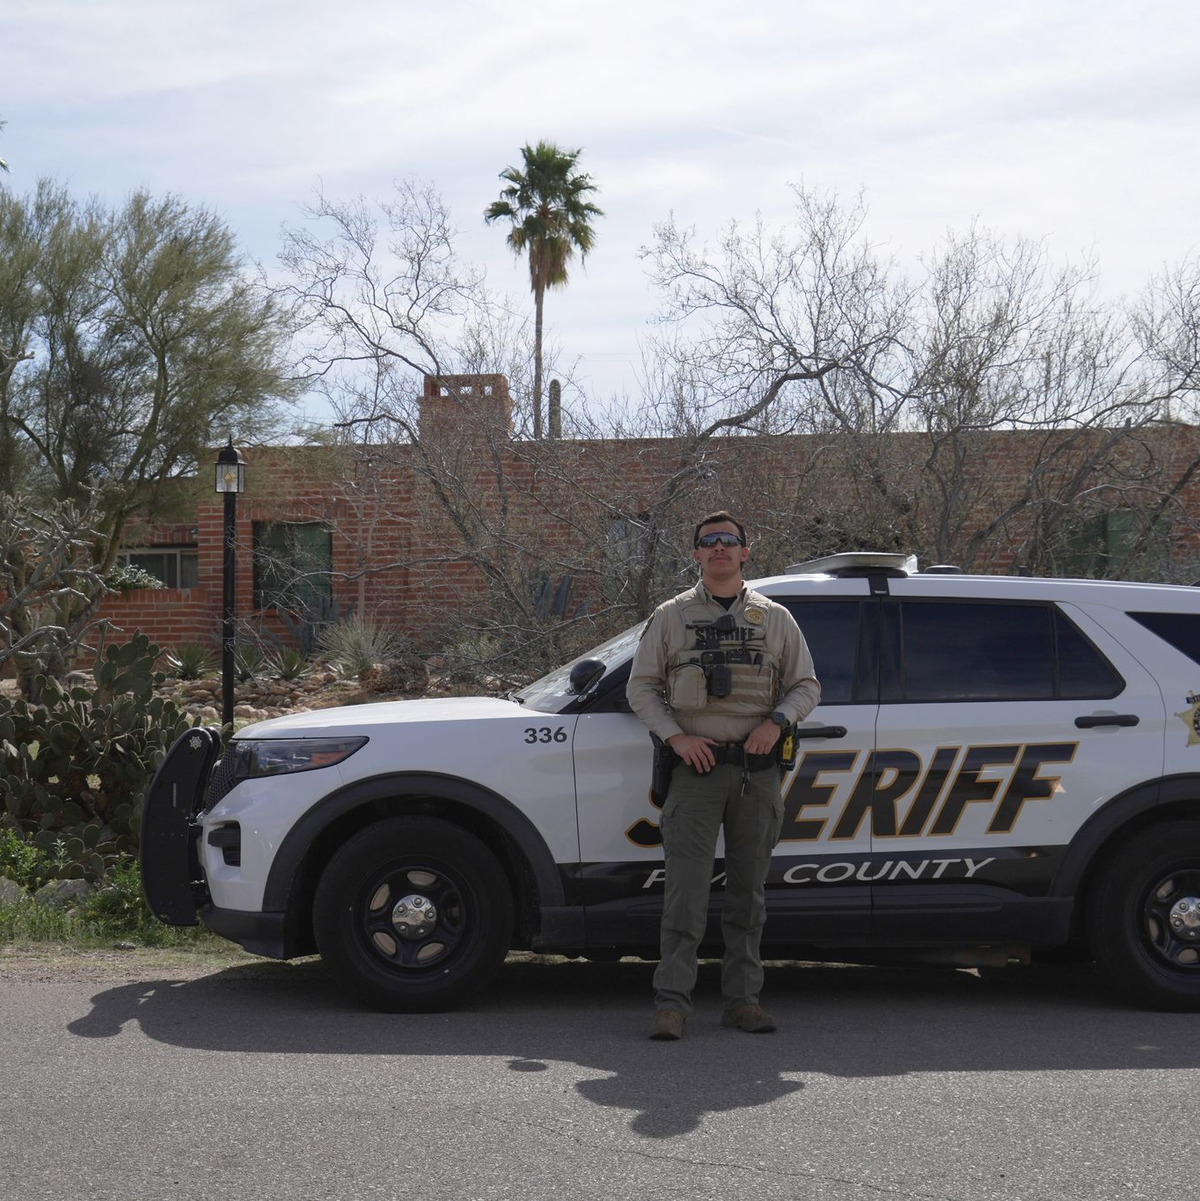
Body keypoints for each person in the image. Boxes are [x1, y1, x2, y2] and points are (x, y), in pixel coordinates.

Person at [626, 511, 820, 1040]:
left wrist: (777, 722)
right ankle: (672, 1005)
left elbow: (806, 687)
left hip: (756, 774)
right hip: (695, 770)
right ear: (695, 554)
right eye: (708, 541)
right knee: (684, 896)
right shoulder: (671, 616)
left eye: (728, 541)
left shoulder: (775, 618)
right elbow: (641, 687)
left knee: (747, 896)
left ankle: (743, 1002)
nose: (719, 549)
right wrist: (677, 738)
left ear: (744, 552)